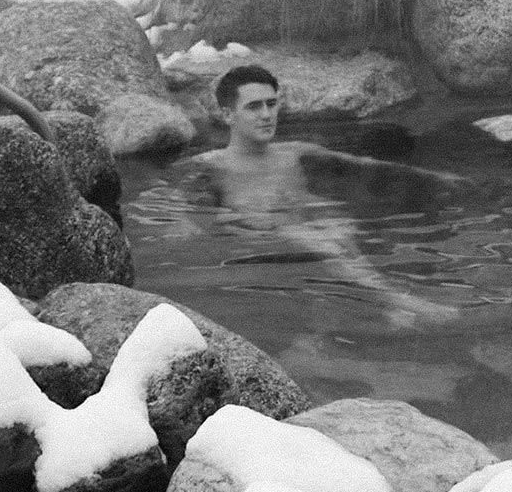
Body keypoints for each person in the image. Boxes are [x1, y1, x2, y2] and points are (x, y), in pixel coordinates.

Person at [187, 63, 459, 323]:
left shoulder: (293, 153)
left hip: (301, 222)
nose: (267, 115)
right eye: (254, 107)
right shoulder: (210, 166)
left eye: (272, 104)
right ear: (227, 115)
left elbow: (363, 165)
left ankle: (388, 305)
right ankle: (404, 303)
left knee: (339, 227)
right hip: (256, 233)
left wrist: (435, 178)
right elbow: (185, 211)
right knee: (322, 241)